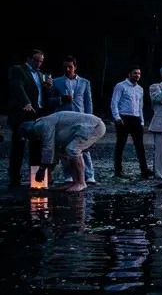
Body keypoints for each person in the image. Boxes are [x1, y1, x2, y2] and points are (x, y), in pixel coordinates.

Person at [22, 111, 106, 192]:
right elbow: (55, 152)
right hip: (85, 128)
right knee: (64, 153)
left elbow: (48, 148)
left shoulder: (41, 125)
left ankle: (81, 183)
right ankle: (74, 182)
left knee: (72, 149)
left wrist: (42, 169)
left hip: (94, 126)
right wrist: (48, 169)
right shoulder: (45, 122)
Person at [7, 49, 53, 187]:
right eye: (36, 60)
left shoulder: (40, 74)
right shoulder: (18, 70)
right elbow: (18, 87)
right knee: (18, 147)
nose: (38, 63)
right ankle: (14, 179)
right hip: (21, 114)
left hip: (37, 114)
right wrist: (25, 102)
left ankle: (37, 181)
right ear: (28, 59)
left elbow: (42, 94)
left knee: (37, 148)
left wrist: (49, 87)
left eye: (41, 61)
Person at [51, 56, 97, 184]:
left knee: (84, 147)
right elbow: (49, 101)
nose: (67, 69)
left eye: (70, 67)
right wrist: (61, 100)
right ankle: (69, 175)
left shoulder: (84, 82)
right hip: (64, 119)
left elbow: (88, 102)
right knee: (65, 149)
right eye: (65, 67)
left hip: (81, 118)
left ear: (75, 67)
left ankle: (90, 175)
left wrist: (90, 120)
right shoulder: (56, 81)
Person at [110, 66, 152, 179]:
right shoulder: (120, 86)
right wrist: (117, 117)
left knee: (140, 146)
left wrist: (142, 121)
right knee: (120, 145)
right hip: (124, 118)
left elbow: (140, 106)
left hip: (136, 118)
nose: (137, 75)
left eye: (138, 73)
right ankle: (118, 170)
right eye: (135, 73)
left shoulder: (140, 89)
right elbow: (114, 102)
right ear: (129, 74)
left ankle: (144, 169)